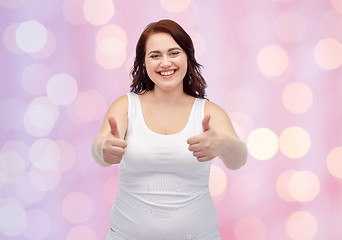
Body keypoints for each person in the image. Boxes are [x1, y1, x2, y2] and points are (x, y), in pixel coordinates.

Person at [91, 19, 247, 240]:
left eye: (174, 53)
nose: (165, 63)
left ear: (188, 57)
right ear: (143, 62)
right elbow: (100, 147)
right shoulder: (126, 106)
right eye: (155, 55)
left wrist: (224, 144)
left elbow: (238, 159)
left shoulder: (208, 111)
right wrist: (103, 149)